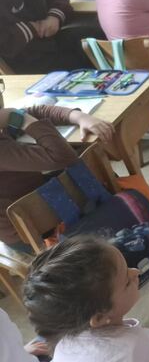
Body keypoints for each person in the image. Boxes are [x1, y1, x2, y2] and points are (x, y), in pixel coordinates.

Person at [0, 89, 114, 248]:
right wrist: (23, 119)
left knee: (93, 171)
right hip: (28, 232)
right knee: (93, 170)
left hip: (34, 199)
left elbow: (37, 111)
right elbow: (63, 157)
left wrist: (80, 117)